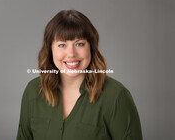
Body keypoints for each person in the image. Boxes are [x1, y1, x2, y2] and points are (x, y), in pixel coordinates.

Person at [16, 10, 143, 140]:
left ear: (91, 47)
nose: (71, 53)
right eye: (62, 45)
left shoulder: (116, 96)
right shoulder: (33, 91)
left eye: (79, 44)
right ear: (50, 50)